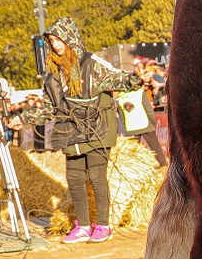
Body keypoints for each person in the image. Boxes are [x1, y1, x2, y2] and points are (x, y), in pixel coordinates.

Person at [21, 17, 141, 244]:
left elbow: (121, 79)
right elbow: (48, 109)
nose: (56, 44)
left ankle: (103, 226)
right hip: (70, 130)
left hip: (97, 126)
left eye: (60, 39)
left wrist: (137, 77)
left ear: (71, 38)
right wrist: (23, 118)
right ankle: (83, 227)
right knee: (74, 178)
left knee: (96, 176)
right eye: (52, 40)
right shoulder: (52, 75)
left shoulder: (92, 63)